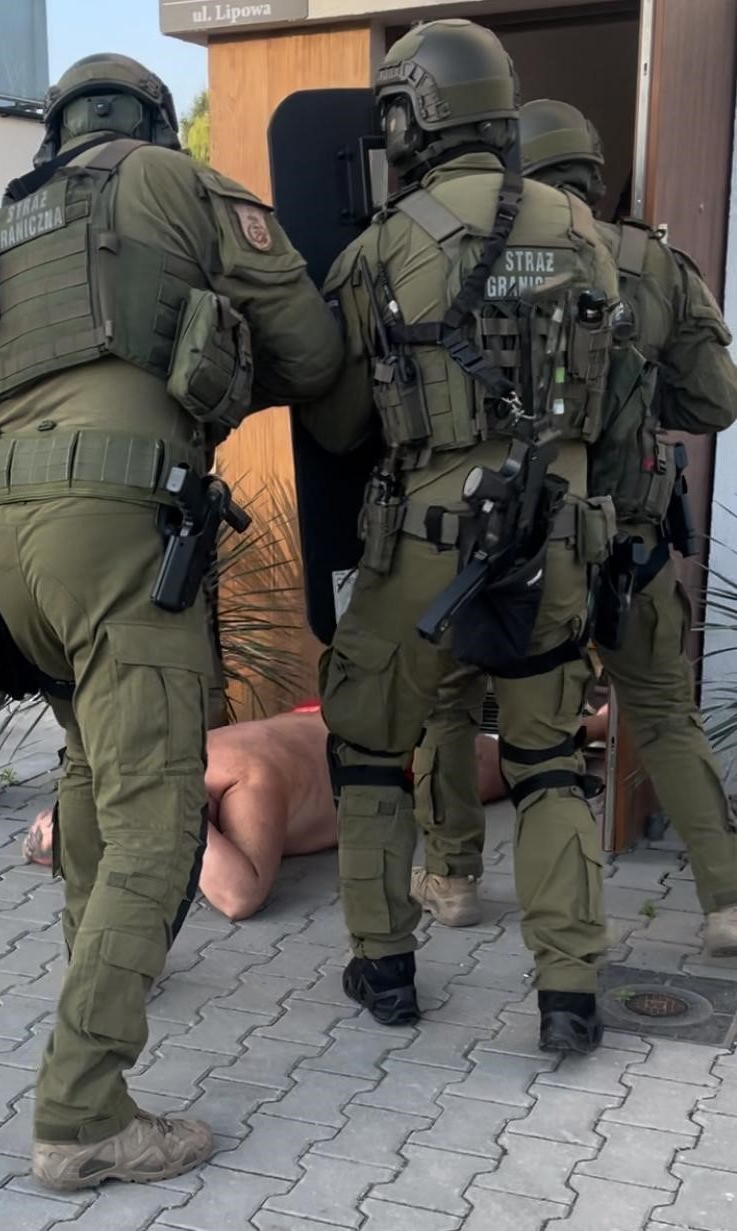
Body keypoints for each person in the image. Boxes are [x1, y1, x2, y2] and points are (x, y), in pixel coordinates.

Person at [0, 54, 343, 1189]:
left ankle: (106, 963)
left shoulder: (10, 219)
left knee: (90, 758)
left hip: (1, 535)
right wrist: (224, 376)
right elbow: (313, 350)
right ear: (155, 121)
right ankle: (82, 1110)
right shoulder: (177, 181)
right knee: (157, 817)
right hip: (116, 524)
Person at [300, 20, 622, 1055]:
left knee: (368, 746)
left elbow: (338, 424)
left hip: (425, 545)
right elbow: (616, 407)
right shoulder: (585, 234)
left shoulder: (380, 248)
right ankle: (568, 992)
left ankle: (386, 966)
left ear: (413, 116)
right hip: (558, 535)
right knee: (550, 761)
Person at [412, 99, 737, 956]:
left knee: (451, 705)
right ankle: (727, 901)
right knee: (662, 713)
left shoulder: (460, 250)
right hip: (627, 542)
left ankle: (451, 878)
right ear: (592, 175)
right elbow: (714, 400)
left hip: (502, 546)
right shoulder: (651, 262)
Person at [22, 703, 612, 920]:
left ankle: (597, 725)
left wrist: (177, 820)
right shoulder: (169, 757)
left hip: (390, 758)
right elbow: (48, 835)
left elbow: (240, 898)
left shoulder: (243, 782)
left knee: (523, 762)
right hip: (322, 723)